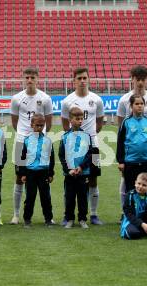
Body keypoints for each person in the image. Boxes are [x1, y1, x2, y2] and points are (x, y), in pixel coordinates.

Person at [61, 67, 104, 225]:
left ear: (89, 79)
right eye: (79, 78)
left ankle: (93, 214)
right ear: (74, 81)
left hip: (92, 145)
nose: (82, 81)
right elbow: (66, 125)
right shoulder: (67, 101)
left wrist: (89, 137)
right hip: (74, 147)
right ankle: (68, 215)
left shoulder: (96, 100)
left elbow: (99, 123)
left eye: (85, 78)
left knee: (92, 179)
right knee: (71, 179)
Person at [9, 67, 53, 225]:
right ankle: (16, 214)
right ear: (23, 79)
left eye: (32, 77)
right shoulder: (16, 98)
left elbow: (49, 121)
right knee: (19, 178)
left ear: (37, 79)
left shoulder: (45, 98)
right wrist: (24, 134)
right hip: (22, 140)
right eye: (27, 77)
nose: (29, 80)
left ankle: (48, 216)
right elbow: (14, 121)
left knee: (43, 177)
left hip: (40, 141)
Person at [116, 65, 147, 211]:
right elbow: (121, 128)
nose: (140, 82)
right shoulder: (124, 100)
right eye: (137, 79)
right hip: (129, 155)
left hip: (146, 155)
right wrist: (121, 159)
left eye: (143, 79)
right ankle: (126, 212)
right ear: (132, 80)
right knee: (126, 184)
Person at [17, 114, 55, 227]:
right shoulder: (27, 140)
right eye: (37, 125)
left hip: (43, 172)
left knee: (46, 197)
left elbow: (51, 158)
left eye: (41, 126)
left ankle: (48, 219)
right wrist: (23, 174)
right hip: (30, 173)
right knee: (30, 197)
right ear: (32, 125)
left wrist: (51, 173)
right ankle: (27, 219)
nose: (39, 127)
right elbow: (22, 157)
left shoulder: (47, 141)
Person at [116, 94, 147, 194]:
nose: (140, 106)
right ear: (131, 106)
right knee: (131, 192)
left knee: (146, 191)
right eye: (136, 104)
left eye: (142, 103)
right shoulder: (126, 122)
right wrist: (121, 161)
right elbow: (120, 142)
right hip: (130, 163)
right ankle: (128, 210)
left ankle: (146, 210)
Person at [59, 107, 93, 229]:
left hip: (83, 173)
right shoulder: (64, 137)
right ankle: (69, 219)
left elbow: (90, 154)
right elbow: (62, 155)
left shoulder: (87, 136)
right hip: (70, 174)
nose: (80, 121)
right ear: (70, 120)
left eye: (81, 119)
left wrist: (81, 167)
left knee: (83, 197)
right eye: (77, 119)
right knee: (70, 197)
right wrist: (69, 169)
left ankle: (83, 219)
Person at [120, 173, 147, 239]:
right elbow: (129, 214)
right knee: (133, 233)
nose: (140, 186)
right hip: (132, 221)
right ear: (135, 183)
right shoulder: (130, 195)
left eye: (144, 185)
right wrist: (142, 224)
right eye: (139, 183)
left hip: (145, 221)